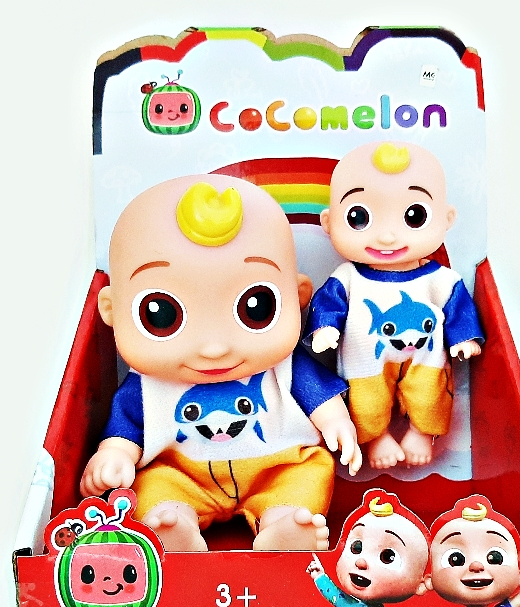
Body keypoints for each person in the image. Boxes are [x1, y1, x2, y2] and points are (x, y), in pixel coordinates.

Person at [80, 174, 361, 551]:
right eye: (161, 314)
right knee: (153, 487)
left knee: (306, 477)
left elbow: (317, 395)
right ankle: (171, 523)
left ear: (298, 297)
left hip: (278, 467)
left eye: (256, 308)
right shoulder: (148, 384)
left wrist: (336, 420)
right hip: (180, 473)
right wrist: (113, 454)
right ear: (111, 310)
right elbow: (127, 425)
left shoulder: (285, 368)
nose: (214, 347)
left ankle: (284, 523)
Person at [304, 141, 483, 469]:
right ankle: (376, 437)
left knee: (430, 392)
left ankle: (421, 431)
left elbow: (458, 306)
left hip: (426, 358)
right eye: (359, 217)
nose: (387, 236)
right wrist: (324, 328)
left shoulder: (439, 278)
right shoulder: (348, 277)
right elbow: (328, 304)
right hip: (364, 362)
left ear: (446, 219)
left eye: (414, 216)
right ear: (328, 223)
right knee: (365, 400)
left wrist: (463, 337)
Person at [306, 489, 429, 607]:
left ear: (422, 584)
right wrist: (319, 575)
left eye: (388, 557)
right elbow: (333, 593)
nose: (361, 562)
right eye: (356, 547)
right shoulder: (348, 605)